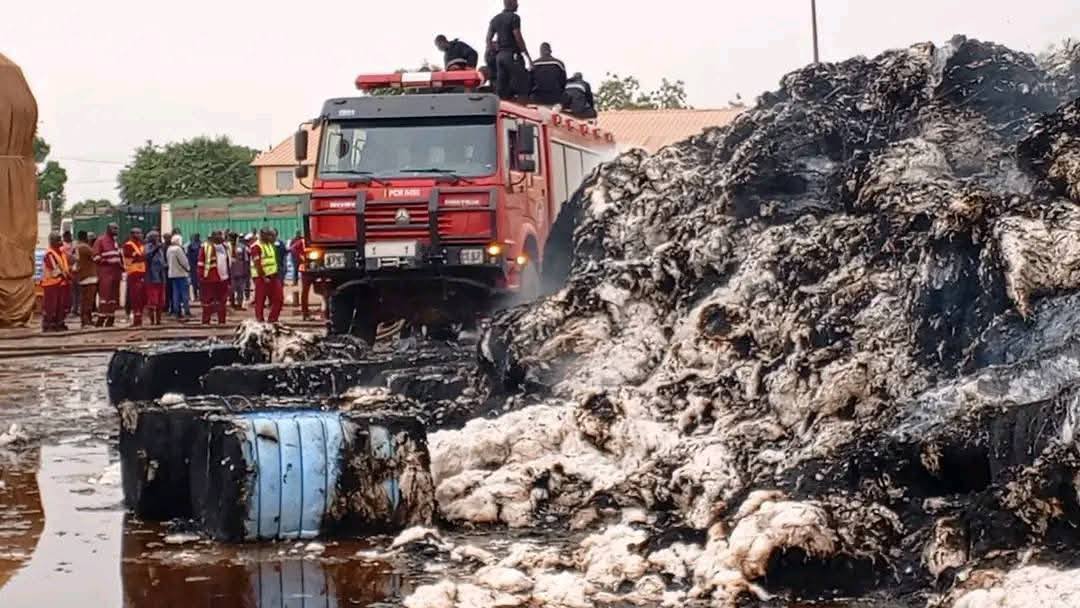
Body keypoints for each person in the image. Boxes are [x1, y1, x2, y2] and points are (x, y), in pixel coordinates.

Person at [487, 0, 530, 100]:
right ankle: (522, 111)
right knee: (522, 85)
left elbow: (488, 39)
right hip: (511, 54)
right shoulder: (514, 17)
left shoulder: (495, 19)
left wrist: (493, 51)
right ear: (511, 3)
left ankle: (502, 110)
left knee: (502, 88)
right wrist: (526, 54)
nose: (518, 5)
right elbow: (518, 37)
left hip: (500, 57)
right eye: (516, 2)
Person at [92, 223, 124, 327]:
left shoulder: (115, 242)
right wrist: (108, 261)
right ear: (108, 229)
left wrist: (120, 266)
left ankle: (111, 318)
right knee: (105, 295)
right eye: (114, 228)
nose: (116, 230)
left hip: (115, 273)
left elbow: (118, 256)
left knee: (114, 296)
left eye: (117, 228)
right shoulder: (100, 241)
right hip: (105, 272)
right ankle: (101, 318)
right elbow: (96, 257)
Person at [251, 227, 284, 323]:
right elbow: (257, 264)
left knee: (279, 298)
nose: (272, 237)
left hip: (273, 276)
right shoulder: (256, 247)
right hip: (261, 277)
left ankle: (272, 319)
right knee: (260, 300)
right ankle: (260, 320)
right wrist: (263, 276)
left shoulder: (270, 245)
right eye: (270, 235)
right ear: (263, 235)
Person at [41, 232, 72, 332]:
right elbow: (55, 269)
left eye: (60, 239)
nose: (60, 242)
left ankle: (59, 323)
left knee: (61, 306)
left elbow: (65, 266)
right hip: (51, 284)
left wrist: (68, 275)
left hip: (61, 284)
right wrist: (66, 276)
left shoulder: (61, 253)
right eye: (58, 240)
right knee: (51, 306)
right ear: (52, 242)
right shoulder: (49, 254)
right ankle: (49, 325)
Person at [197, 230, 230, 325]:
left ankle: (222, 322)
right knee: (208, 302)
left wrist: (229, 279)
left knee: (222, 302)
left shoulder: (225, 247)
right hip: (209, 279)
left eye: (221, 235)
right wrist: (201, 277)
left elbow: (229, 263)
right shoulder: (206, 247)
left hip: (223, 279)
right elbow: (201, 263)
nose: (220, 237)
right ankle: (206, 322)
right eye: (218, 235)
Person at [123, 228, 148, 327]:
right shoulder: (128, 245)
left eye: (140, 233)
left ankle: (139, 318)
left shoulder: (141, 245)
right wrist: (141, 257)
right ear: (132, 234)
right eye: (137, 233)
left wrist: (140, 258)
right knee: (135, 297)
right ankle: (135, 319)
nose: (140, 235)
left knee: (141, 297)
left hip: (142, 273)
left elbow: (142, 257)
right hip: (133, 274)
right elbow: (132, 259)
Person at [74, 231, 97, 329]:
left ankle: (87, 320)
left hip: (83, 276)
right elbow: (95, 256)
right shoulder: (85, 247)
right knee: (87, 300)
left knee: (86, 300)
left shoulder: (78, 247)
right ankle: (85, 321)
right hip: (88, 277)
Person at [143, 231, 167, 326]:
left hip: (161, 277)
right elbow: (147, 257)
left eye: (158, 236)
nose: (158, 238)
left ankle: (159, 320)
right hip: (151, 278)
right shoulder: (147, 247)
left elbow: (162, 261)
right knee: (153, 301)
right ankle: (152, 321)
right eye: (156, 237)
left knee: (161, 301)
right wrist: (156, 249)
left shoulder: (160, 249)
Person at [167, 234, 192, 320]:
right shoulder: (178, 249)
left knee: (175, 293)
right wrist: (188, 269)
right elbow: (184, 261)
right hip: (181, 274)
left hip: (172, 274)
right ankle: (187, 310)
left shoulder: (169, 249)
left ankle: (176, 311)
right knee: (184, 293)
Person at [229, 233, 251, 310]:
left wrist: (246, 271)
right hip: (230, 272)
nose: (232, 240)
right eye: (231, 238)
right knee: (231, 289)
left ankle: (239, 304)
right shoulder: (226, 247)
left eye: (234, 238)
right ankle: (232, 303)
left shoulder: (242, 247)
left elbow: (246, 260)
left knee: (240, 289)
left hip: (240, 271)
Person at [62, 230, 77, 319]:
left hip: (72, 272)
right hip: (67, 272)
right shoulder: (63, 247)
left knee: (74, 292)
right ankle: (70, 309)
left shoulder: (73, 245)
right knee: (71, 292)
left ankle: (73, 309)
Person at [187, 233, 202, 301]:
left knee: (196, 282)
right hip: (196, 266)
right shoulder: (200, 245)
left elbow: (188, 256)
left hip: (195, 266)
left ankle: (197, 296)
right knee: (196, 282)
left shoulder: (191, 245)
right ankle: (197, 296)